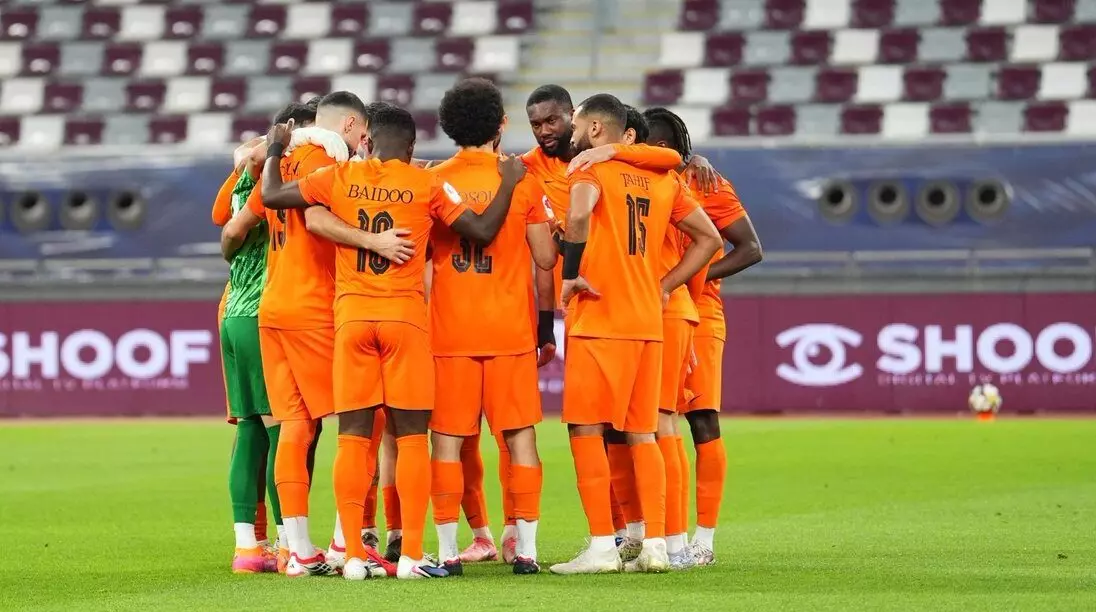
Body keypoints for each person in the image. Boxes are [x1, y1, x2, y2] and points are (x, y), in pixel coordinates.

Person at [259, 104, 528, 580]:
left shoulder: (339, 176)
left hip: (352, 321)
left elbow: (273, 194)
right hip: (404, 322)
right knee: (411, 439)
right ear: (412, 147)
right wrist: (507, 183)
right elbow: (483, 230)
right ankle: (411, 557)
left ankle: (353, 557)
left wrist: (277, 147)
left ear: (367, 141)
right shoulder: (426, 183)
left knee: (352, 437)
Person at [549, 94, 721, 575]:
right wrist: (664, 285)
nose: (572, 134)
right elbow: (709, 238)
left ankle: (603, 548)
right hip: (648, 323)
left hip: (600, 318)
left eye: (577, 125)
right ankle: (658, 547)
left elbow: (579, 215)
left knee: (586, 429)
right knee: (644, 433)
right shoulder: (663, 177)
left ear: (595, 129)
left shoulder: (589, 168)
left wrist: (570, 273)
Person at [220, 91, 371, 578]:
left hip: (270, 308)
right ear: (349, 126)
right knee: (360, 420)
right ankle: (347, 543)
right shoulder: (328, 162)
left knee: (293, 425)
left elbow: (232, 226)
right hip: (314, 308)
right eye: (363, 133)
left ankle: (297, 551)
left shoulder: (275, 162)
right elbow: (321, 220)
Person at [426, 78, 557, 576]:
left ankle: (447, 551)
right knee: (520, 437)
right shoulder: (523, 180)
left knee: (447, 440)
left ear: (448, 127)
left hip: (450, 333)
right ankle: (526, 551)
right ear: (501, 124)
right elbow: (545, 258)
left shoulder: (434, 181)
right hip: (509, 332)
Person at [643, 107, 762, 566]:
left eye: (649, 143)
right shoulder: (639, 181)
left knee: (702, 420)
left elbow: (750, 248)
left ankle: (703, 540)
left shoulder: (706, 183)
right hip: (651, 309)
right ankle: (651, 532)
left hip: (700, 312)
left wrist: (696, 276)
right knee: (650, 421)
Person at [215, 102, 318, 574]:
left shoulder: (245, 177)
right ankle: (288, 542)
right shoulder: (279, 182)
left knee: (250, 429)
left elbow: (224, 225)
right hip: (264, 313)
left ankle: (247, 548)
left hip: (234, 309)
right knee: (286, 430)